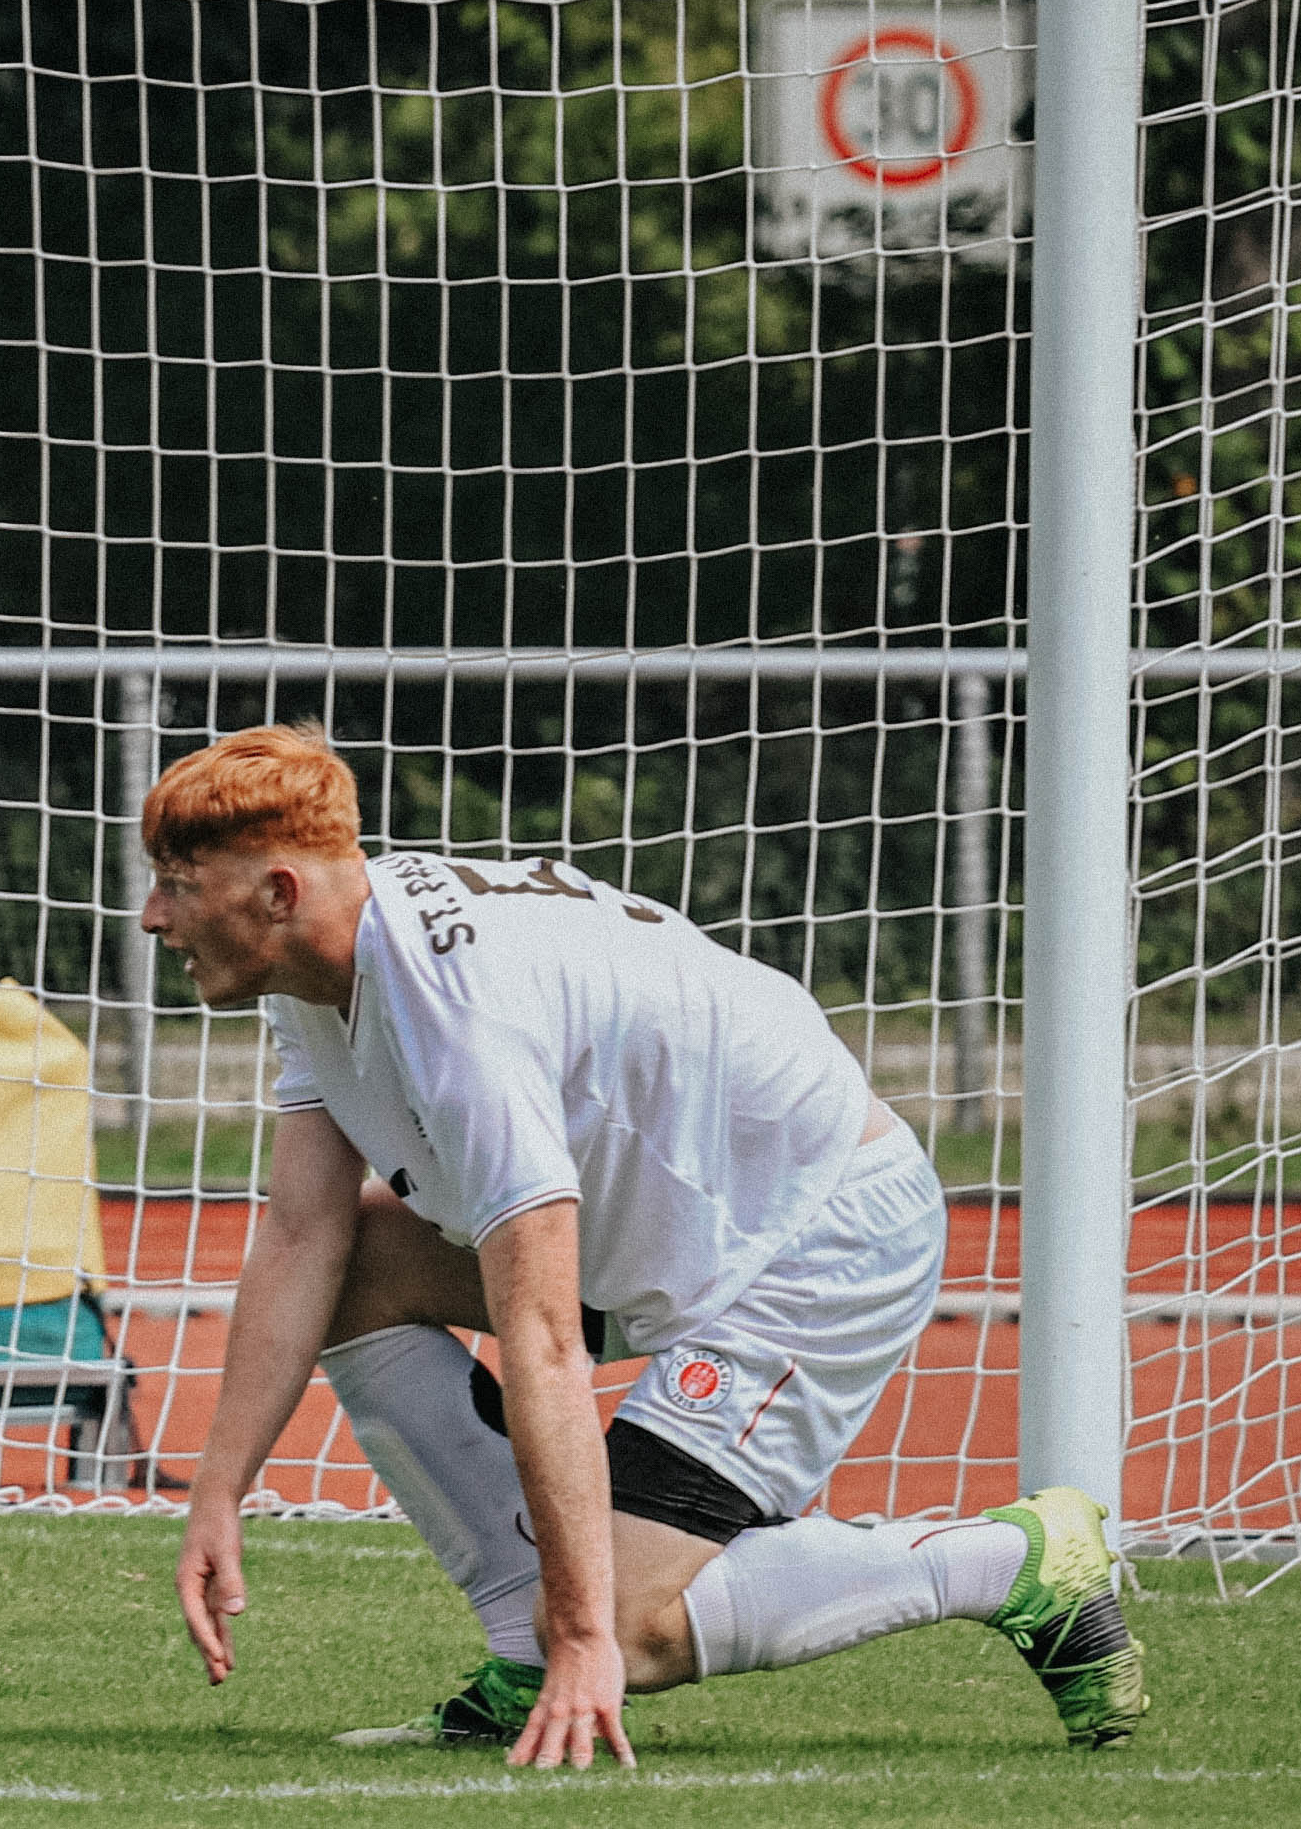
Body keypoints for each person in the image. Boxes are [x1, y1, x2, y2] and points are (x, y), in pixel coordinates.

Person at [153, 724, 1146, 1767]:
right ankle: (527, 1649)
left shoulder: (457, 1016)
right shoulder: (324, 961)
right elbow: (306, 1229)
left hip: (808, 1237)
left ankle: (1014, 1561)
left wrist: (587, 1638)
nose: (153, 914)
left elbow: (542, 1344)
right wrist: (220, 1488)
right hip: (666, 1229)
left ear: (275, 890)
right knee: (355, 1268)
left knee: (627, 1628)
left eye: (178, 882)